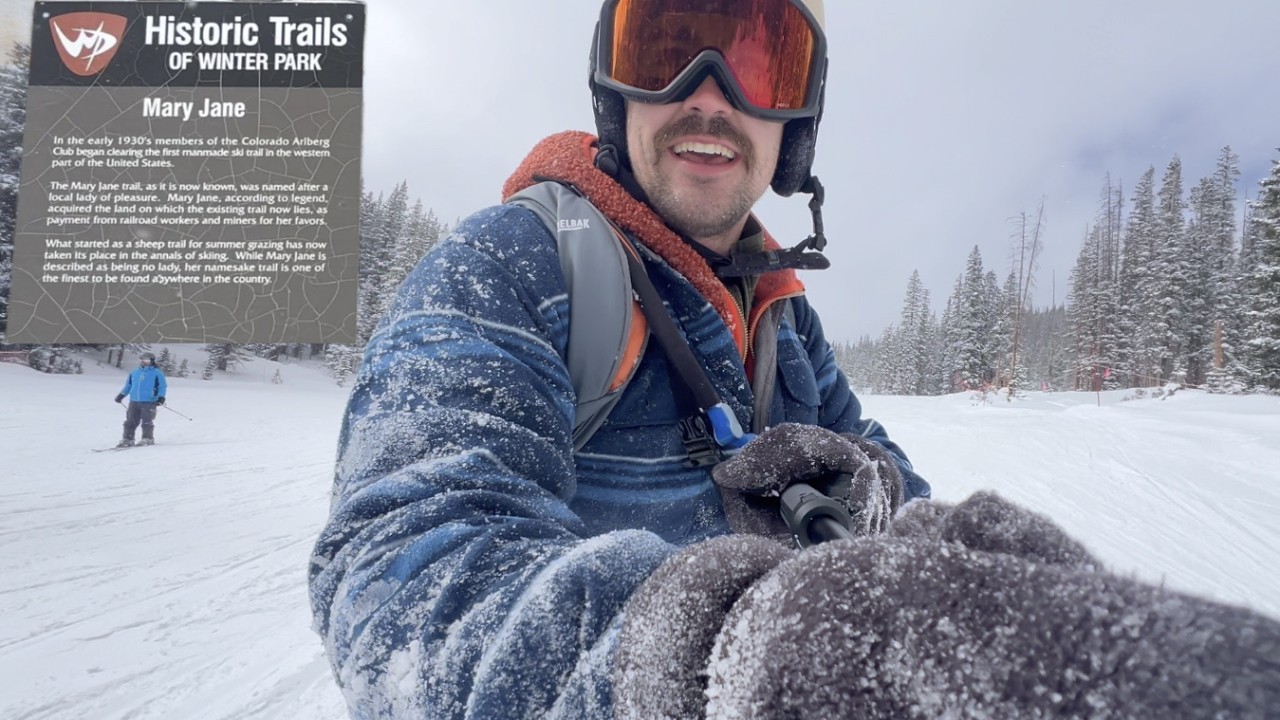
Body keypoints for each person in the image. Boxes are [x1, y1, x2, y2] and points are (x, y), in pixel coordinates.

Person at [310, 1, 1278, 718]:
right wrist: (736, 648)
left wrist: (870, 504)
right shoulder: (513, 264)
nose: (705, 97)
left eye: (757, 64)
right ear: (613, 92)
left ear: (791, 124)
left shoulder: (778, 310)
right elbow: (404, 583)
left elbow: (880, 459)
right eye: (661, 49)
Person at [114, 351, 167, 447]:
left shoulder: (157, 373)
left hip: (149, 401)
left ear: (152, 361)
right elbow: (128, 385)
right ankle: (128, 439)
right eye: (143, 359)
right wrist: (121, 395)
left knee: (147, 421)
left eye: (147, 360)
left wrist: (161, 397)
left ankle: (147, 438)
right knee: (130, 421)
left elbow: (162, 386)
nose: (145, 362)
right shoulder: (135, 372)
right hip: (134, 401)